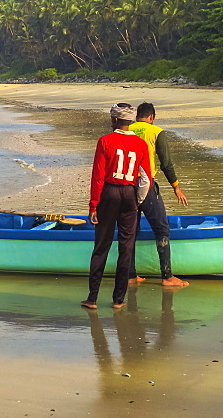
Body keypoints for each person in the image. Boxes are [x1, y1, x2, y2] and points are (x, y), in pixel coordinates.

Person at [81, 103, 152, 310]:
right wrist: (137, 200)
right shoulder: (140, 144)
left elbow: (98, 176)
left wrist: (93, 205)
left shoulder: (105, 141)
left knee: (101, 246)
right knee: (126, 247)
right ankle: (118, 300)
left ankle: (92, 298)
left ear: (114, 120)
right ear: (130, 121)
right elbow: (145, 178)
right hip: (130, 193)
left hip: (109, 193)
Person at [128, 102, 190, 287]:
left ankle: (130, 275)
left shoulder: (125, 130)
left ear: (137, 116)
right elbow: (166, 163)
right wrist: (176, 186)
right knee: (162, 228)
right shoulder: (156, 132)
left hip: (125, 187)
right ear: (152, 117)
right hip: (145, 186)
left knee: (130, 231)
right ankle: (167, 277)